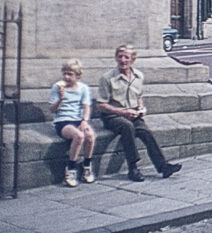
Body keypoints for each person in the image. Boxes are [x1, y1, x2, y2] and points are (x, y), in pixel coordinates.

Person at [97, 45, 182, 182]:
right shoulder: (107, 78)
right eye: (120, 56)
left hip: (133, 114)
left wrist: (141, 108)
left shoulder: (138, 76)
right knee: (127, 127)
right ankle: (133, 168)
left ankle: (163, 166)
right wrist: (122, 112)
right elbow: (101, 105)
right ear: (116, 58)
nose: (123, 60)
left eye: (126, 57)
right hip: (113, 116)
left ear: (133, 59)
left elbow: (138, 96)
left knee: (145, 132)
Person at [49, 59, 96, 187]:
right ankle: (71, 168)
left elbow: (86, 106)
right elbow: (52, 109)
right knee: (79, 136)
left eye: (70, 74)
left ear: (78, 76)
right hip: (63, 121)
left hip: (78, 120)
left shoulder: (83, 88)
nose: (66, 77)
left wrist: (84, 121)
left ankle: (87, 165)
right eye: (65, 73)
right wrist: (60, 99)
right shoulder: (57, 87)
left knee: (90, 136)